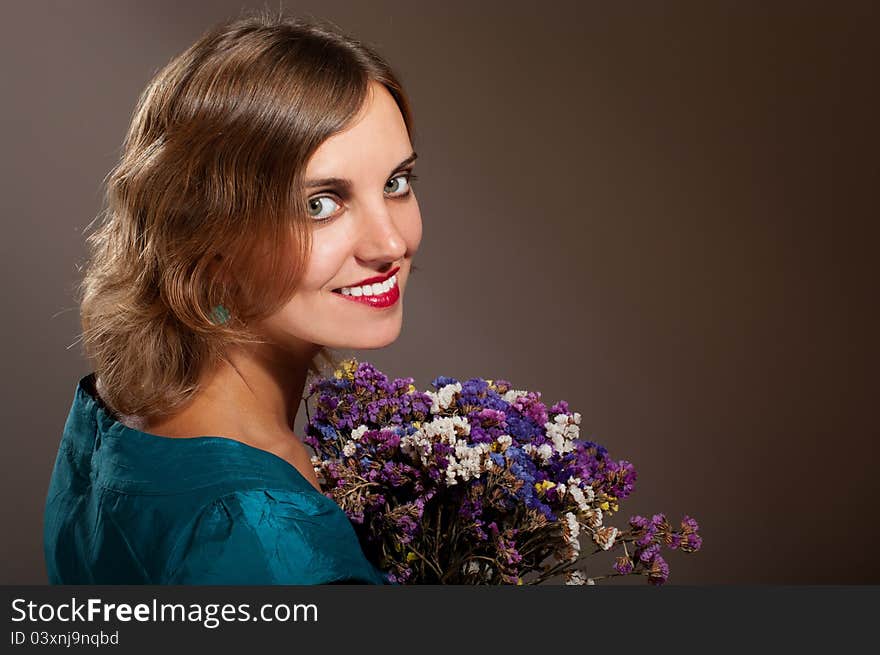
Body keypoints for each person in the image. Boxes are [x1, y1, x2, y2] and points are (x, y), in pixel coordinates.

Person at [43, 10, 422, 584]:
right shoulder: (257, 535)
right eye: (319, 204)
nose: (391, 242)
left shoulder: (109, 432)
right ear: (210, 239)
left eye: (396, 183)